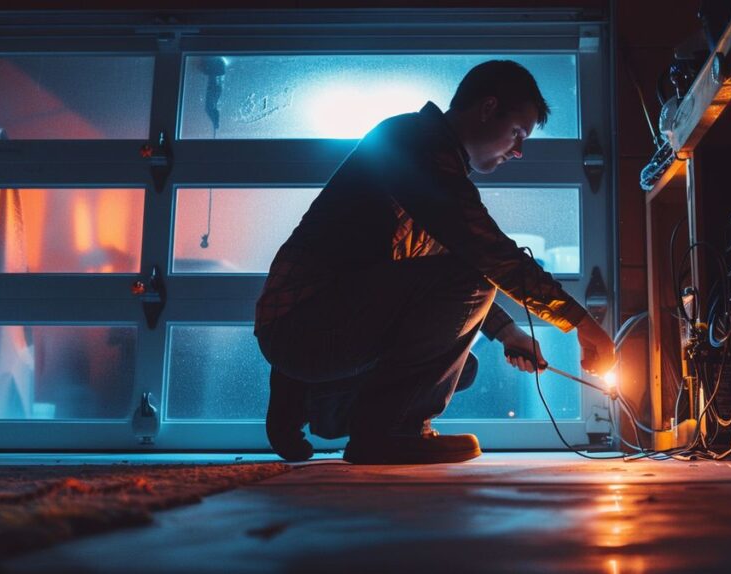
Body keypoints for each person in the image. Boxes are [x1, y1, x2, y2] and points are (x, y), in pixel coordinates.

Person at [255, 60, 615, 464]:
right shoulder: (415, 144)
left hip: (315, 324)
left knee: (463, 369)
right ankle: (387, 432)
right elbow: (486, 256)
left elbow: (439, 272)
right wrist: (581, 322)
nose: (518, 150)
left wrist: (506, 330)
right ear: (487, 107)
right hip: (303, 324)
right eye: (517, 133)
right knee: (473, 281)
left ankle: (309, 401)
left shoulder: (428, 156)